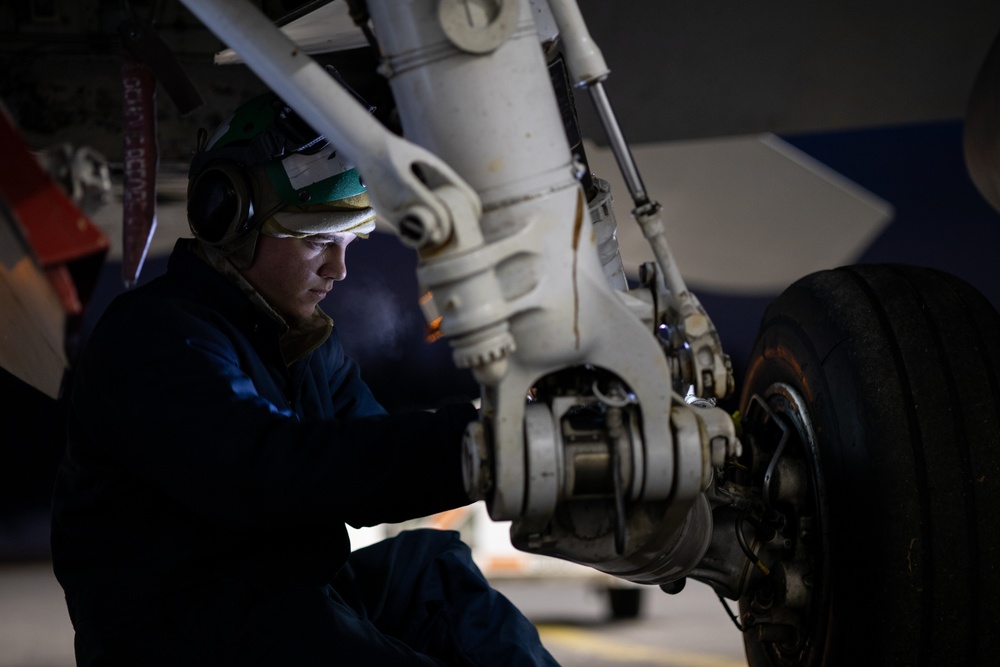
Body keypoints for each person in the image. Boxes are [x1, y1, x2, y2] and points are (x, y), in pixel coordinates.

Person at [50, 91, 559, 666]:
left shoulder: (305, 341)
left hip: (279, 596)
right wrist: (478, 444)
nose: (338, 270)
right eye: (318, 240)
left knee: (433, 572)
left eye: (348, 242)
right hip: (184, 629)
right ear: (229, 221)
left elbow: (369, 456)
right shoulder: (154, 337)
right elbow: (269, 472)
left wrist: (506, 439)